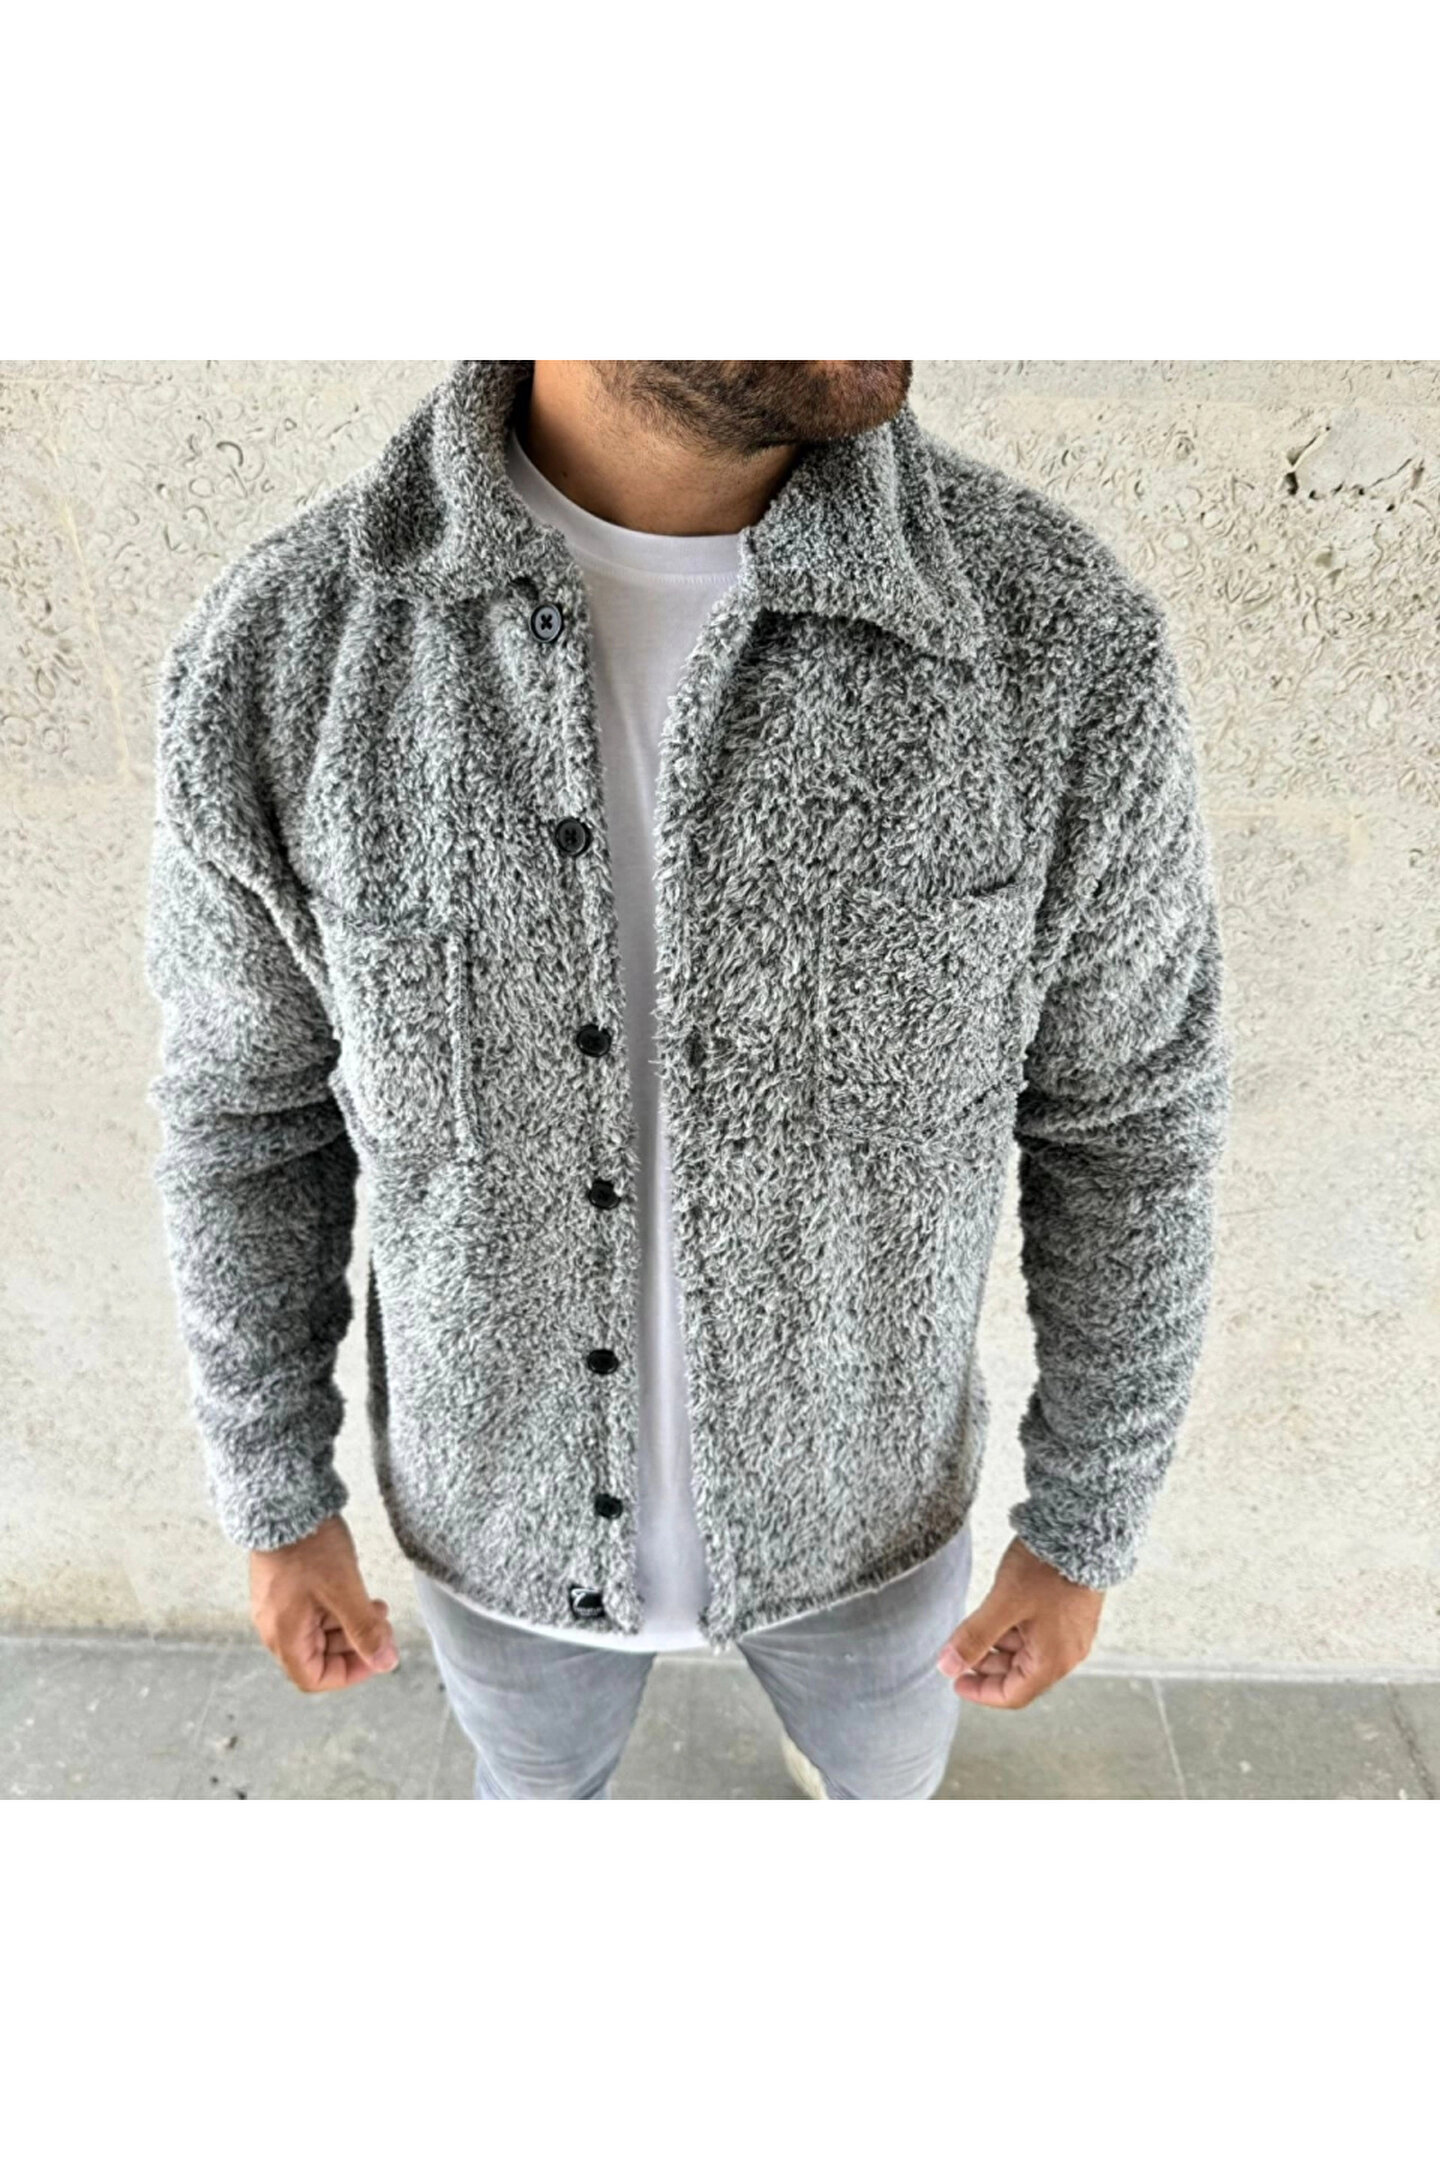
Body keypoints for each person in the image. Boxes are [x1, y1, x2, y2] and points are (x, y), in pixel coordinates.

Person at [144, 360, 1231, 1799]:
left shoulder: (1056, 644)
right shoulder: (289, 655)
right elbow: (249, 1123)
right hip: (496, 1535)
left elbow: (1130, 1124)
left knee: (888, 1796)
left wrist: (1083, 1523)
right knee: (539, 1805)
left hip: (876, 1532)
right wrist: (278, 1496)